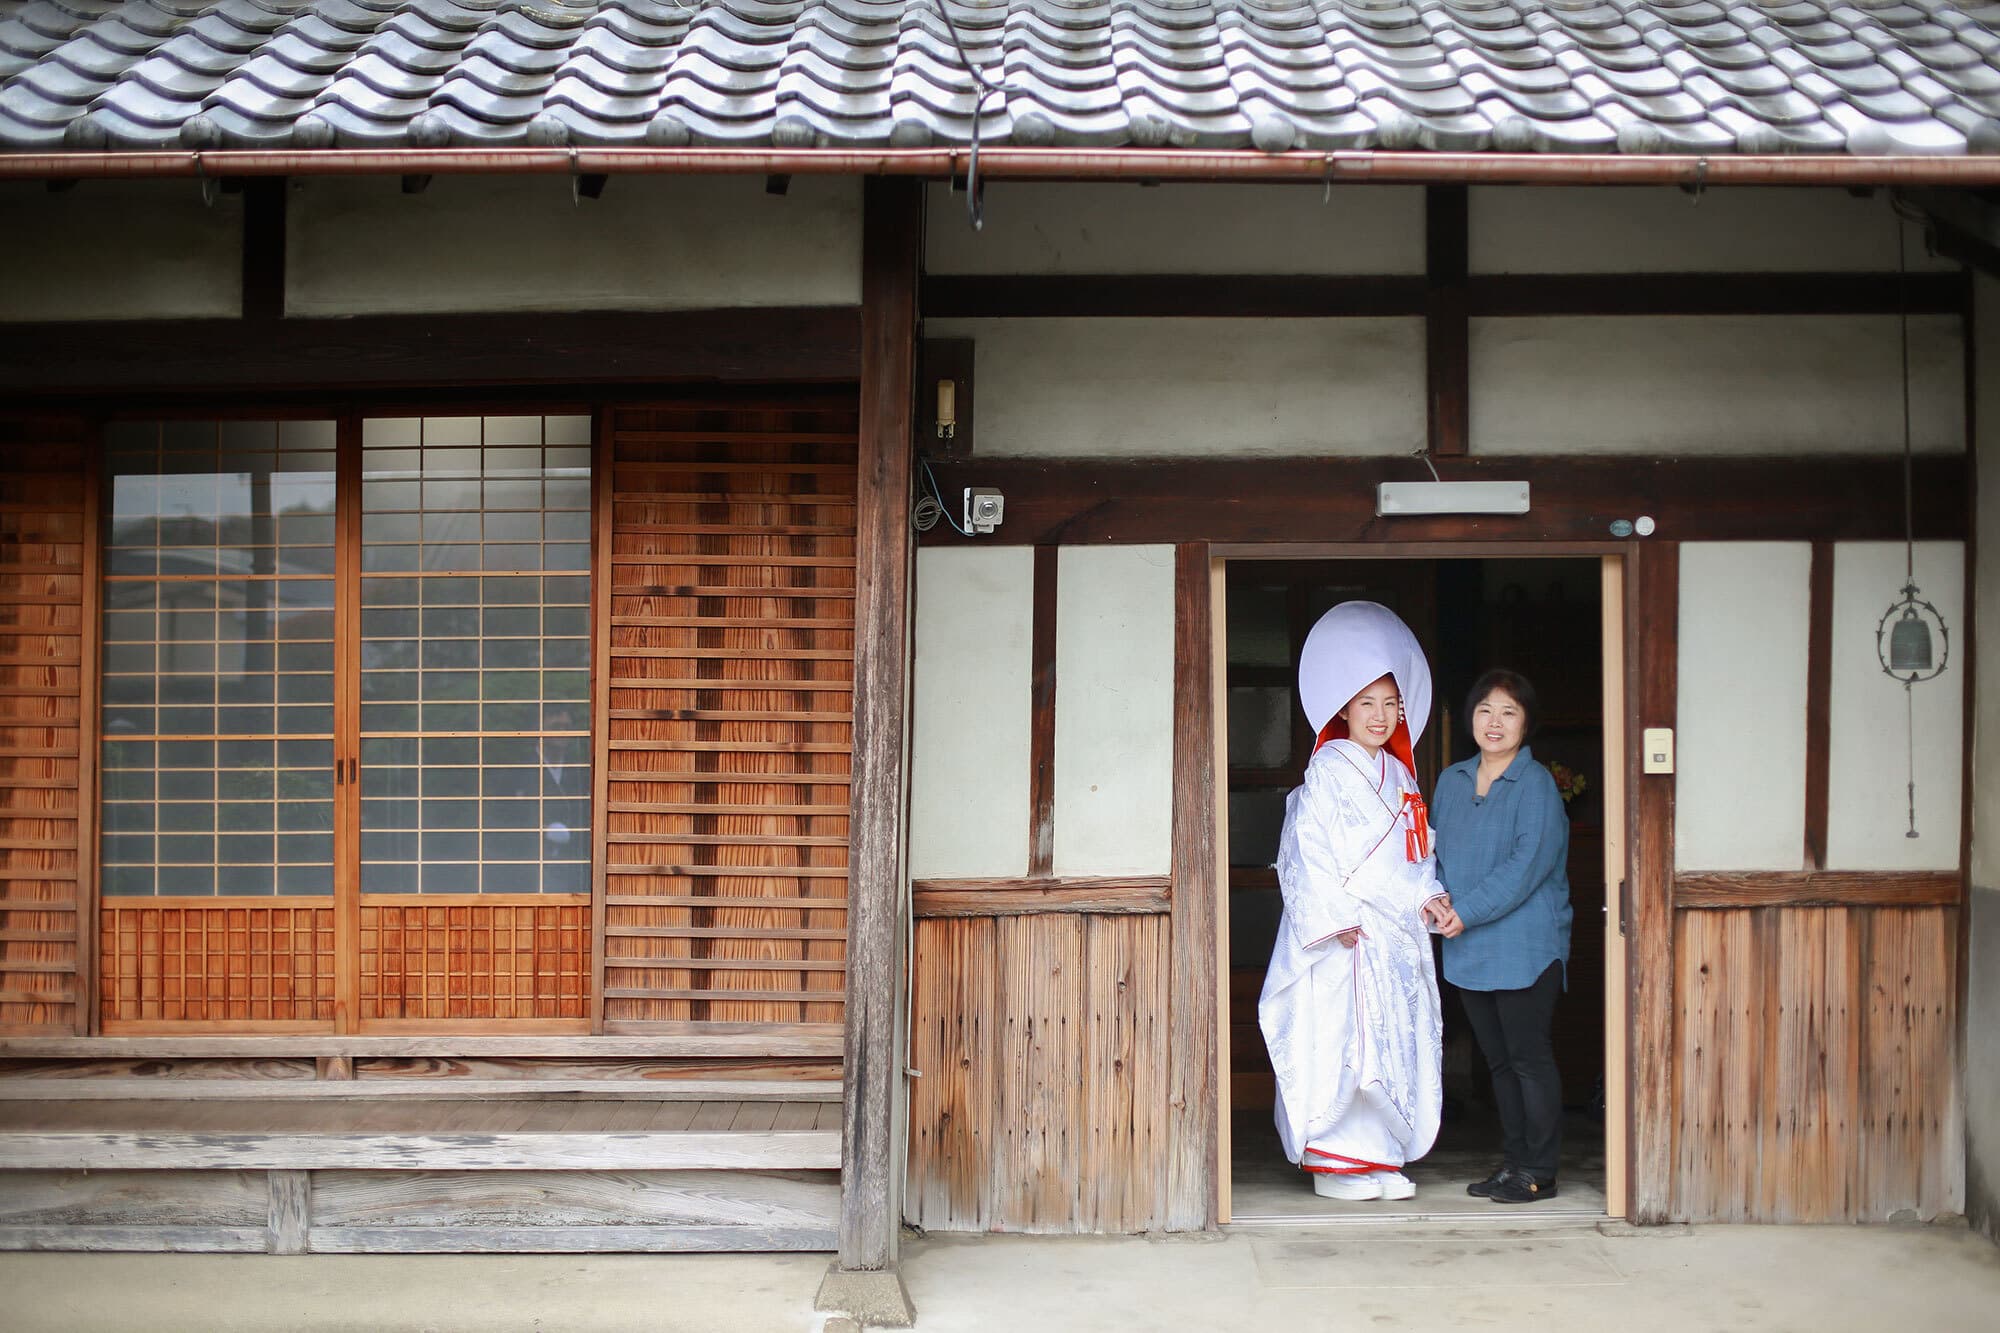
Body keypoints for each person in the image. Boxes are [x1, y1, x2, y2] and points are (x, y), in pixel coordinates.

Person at [1258, 601, 1456, 1202]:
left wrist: (1432, 897)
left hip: (1394, 933)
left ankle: (1381, 1155)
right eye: (1366, 702)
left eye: (1389, 703)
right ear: (1343, 707)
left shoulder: (1401, 780)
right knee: (1345, 1038)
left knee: (1393, 1037)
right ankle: (1335, 1160)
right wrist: (1333, 918)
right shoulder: (1326, 773)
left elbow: (1416, 858)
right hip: (1346, 931)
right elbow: (1305, 852)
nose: (1378, 715)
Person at [1427, 669, 1573, 1205]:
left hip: (1525, 947)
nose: (1495, 722)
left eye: (1509, 712)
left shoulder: (1535, 786)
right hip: (1468, 945)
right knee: (1499, 1063)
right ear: (1471, 717)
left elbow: (1524, 867)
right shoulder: (1453, 780)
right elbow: (1435, 853)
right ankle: (1514, 1165)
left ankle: (1540, 1170)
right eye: (1486, 709)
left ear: (1526, 723)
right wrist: (1437, 898)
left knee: (1528, 1059)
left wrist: (1464, 910)